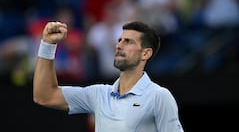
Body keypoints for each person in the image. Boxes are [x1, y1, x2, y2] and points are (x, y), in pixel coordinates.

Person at [33, 21, 184, 132]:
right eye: (119, 40)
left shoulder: (159, 96)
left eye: (128, 42)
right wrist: (47, 44)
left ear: (145, 53)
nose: (118, 45)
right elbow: (45, 95)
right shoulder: (99, 94)